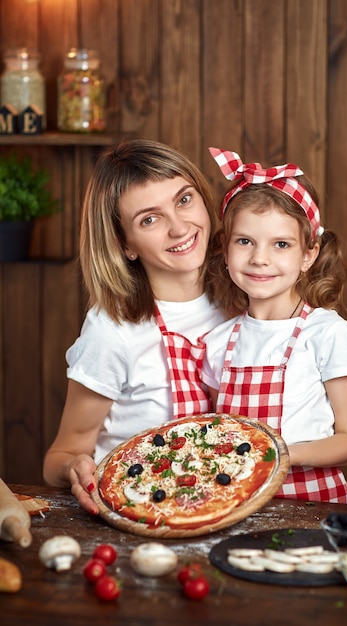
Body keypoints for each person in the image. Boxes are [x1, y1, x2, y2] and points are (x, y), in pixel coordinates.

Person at [43, 139, 224, 514]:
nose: (179, 228)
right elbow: (61, 455)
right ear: (126, 244)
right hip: (144, 512)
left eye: (184, 200)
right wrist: (74, 467)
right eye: (150, 219)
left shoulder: (244, 295)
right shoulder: (112, 331)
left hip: (225, 502)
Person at [201, 147, 347, 504]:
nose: (260, 259)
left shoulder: (327, 334)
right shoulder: (218, 343)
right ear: (225, 250)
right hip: (237, 507)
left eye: (281, 244)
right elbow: (219, 438)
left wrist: (280, 454)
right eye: (245, 241)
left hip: (313, 510)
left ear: (308, 254)